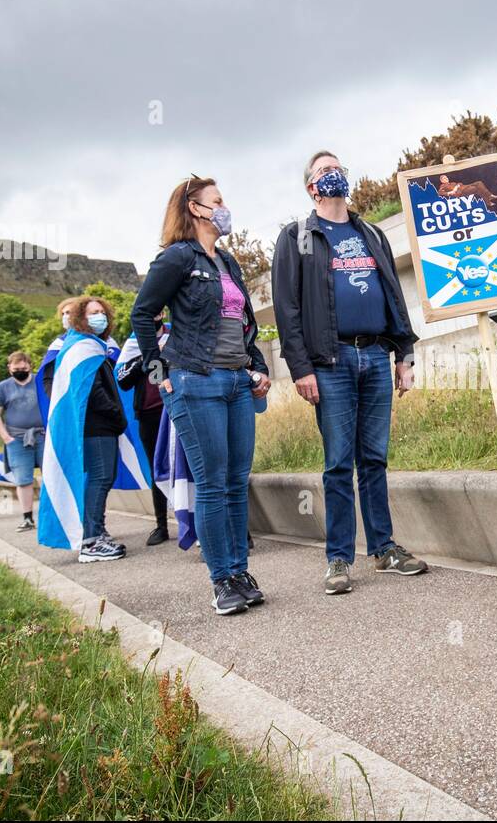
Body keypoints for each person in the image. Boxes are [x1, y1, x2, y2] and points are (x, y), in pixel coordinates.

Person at [272, 151, 428, 596]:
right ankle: (338, 559)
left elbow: (393, 294)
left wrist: (404, 353)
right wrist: (301, 368)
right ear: (311, 188)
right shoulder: (297, 236)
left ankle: (383, 549)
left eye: (337, 168)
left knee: (374, 459)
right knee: (339, 463)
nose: (333, 174)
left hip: (375, 356)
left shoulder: (371, 232)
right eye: (324, 171)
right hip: (331, 363)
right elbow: (287, 308)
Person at [130, 176, 271, 615]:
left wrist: (258, 367)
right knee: (211, 483)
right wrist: (159, 371)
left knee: (234, 481)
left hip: (234, 381)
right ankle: (221, 581)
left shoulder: (227, 262)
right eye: (218, 201)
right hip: (194, 380)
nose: (225, 207)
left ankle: (240, 571)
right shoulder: (176, 258)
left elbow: (244, 324)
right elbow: (142, 313)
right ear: (195, 208)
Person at [38, 297, 129, 562]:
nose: (99, 317)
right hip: (97, 425)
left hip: (101, 425)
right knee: (100, 478)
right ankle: (91, 540)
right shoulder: (82, 348)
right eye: (92, 313)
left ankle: (96, 532)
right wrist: (115, 414)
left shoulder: (92, 346)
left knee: (102, 478)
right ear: (80, 318)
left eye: (102, 312)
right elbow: (91, 391)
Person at [116, 310, 172, 546]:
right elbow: (123, 380)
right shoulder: (132, 343)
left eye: (158, 309)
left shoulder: (176, 333)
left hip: (176, 407)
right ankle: (161, 525)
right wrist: (145, 359)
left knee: (188, 464)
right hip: (149, 413)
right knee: (156, 466)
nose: (154, 314)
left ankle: (193, 520)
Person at [0, 351, 45, 532]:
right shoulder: (3, 388)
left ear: (29, 365)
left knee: (51, 475)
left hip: (43, 435)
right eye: (16, 368)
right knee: (23, 479)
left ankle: (50, 514)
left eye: (23, 367)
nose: (20, 370)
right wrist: (6, 437)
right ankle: (27, 517)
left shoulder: (40, 382)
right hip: (17, 439)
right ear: (9, 368)